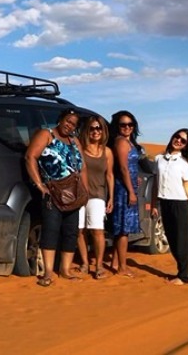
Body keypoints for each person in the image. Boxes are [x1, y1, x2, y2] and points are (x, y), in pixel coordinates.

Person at [25, 108, 88, 287]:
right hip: (52, 192)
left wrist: (85, 191)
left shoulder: (74, 141)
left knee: (71, 231)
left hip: (73, 194)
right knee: (51, 230)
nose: (69, 126)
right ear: (60, 119)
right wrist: (39, 184)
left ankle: (65, 270)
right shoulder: (47, 135)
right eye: (68, 121)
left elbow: (83, 167)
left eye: (73, 124)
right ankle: (48, 272)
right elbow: (30, 157)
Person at [152, 128, 188, 286]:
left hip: (180, 205)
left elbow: (187, 188)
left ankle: (184, 276)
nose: (179, 141)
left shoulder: (185, 164)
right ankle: (181, 272)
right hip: (164, 203)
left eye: (183, 141)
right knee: (171, 239)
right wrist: (154, 203)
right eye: (177, 137)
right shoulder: (159, 159)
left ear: (186, 145)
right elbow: (155, 184)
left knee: (182, 241)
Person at [75, 115, 114, 280]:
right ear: (87, 130)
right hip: (79, 194)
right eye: (92, 128)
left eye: (99, 128)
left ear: (103, 131)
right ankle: (85, 263)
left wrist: (111, 197)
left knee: (97, 230)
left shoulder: (107, 152)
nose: (96, 131)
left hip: (98, 194)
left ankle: (98, 265)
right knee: (79, 230)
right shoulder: (80, 149)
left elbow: (109, 175)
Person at [108, 110, 143, 277]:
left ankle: (115, 262)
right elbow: (123, 168)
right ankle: (122, 267)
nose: (127, 127)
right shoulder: (121, 142)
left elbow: (130, 167)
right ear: (117, 126)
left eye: (130, 124)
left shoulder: (128, 142)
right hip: (123, 190)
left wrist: (136, 179)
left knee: (123, 228)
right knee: (123, 228)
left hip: (128, 186)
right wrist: (131, 191)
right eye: (123, 124)